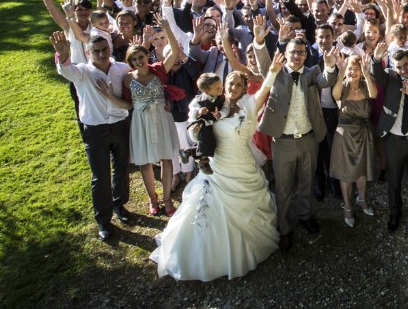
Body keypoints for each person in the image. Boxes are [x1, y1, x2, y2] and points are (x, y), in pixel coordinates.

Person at [150, 69, 279, 281]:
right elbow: (195, 132)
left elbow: (265, 89)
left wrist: (272, 72)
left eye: (238, 85)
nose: (233, 88)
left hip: (243, 164)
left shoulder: (249, 104)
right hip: (217, 166)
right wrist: (199, 120)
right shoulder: (210, 103)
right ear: (222, 86)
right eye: (230, 84)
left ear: (244, 88)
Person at [52, 32, 134, 241]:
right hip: (95, 130)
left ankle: (119, 204)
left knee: (122, 168)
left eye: (104, 49)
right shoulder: (82, 72)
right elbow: (65, 70)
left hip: (120, 126)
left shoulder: (122, 69)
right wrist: (63, 55)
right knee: (100, 176)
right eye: (96, 51)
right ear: (88, 53)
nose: (101, 54)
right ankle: (104, 221)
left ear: (109, 48)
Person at [257, 37, 335, 253]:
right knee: (283, 187)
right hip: (283, 141)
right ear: (286, 53)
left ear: (306, 55)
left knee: (307, 181)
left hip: (309, 138)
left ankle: (305, 214)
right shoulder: (276, 72)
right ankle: (284, 228)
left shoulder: (312, 72)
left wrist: (329, 66)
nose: (297, 56)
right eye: (293, 52)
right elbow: (264, 66)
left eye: (301, 52)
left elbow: (326, 81)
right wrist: (259, 41)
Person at [373, 48, 408, 233]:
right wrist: (376, 60)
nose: (403, 69)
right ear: (393, 67)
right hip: (394, 141)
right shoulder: (390, 78)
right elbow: (378, 74)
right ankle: (395, 213)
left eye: (406, 64)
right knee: (394, 180)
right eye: (399, 67)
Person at [123, 42, 182, 217]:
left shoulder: (158, 70)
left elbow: (175, 51)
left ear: (147, 55)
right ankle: (152, 198)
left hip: (162, 118)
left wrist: (166, 29)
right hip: (141, 121)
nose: (138, 61)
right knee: (145, 162)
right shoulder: (127, 79)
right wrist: (107, 95)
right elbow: (127, 103)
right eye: (134, 59)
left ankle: (167, 198)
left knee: (166, 159)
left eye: (141, 57)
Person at [330, 51, 380, 227]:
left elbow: (374, 95)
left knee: (362, 171)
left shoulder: (366, 85)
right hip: (345, 136)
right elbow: (335, 96)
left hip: (363, 134)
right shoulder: (342, 85)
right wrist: (341, 72)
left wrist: (366, 73)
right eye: (350, 68)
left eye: (356, 68)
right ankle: (347, 206)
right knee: (346, 173)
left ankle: (362, 199)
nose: (353, 72)